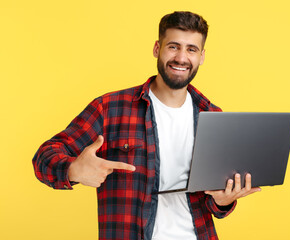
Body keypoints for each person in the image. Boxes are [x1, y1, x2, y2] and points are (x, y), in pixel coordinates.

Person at [32, 11, 261, 240]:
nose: (181, 57)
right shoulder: (110, 108)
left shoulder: (212, 116)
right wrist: (73, 170)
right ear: (156, 49)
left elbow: (214, 203)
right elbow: (44, 156)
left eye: (191, 49)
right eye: (173, 46)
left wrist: (223, 202)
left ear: (201, 57)